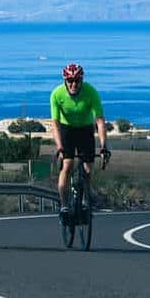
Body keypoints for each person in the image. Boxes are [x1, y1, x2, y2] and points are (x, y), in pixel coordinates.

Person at [50, 63, 110, 218]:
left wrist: (104, 146)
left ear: (82, 80)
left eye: (77, 80)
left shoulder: (91, 92)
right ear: (65, 81)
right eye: (70, 80)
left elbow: (100, 121)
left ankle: (85, 200)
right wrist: (59, 147)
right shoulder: (57, 94)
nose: (74, 84)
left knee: (88, 169)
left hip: (85, 130)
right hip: (66, 130)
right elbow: (55, 124)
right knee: (67, 165)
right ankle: (64, 206)